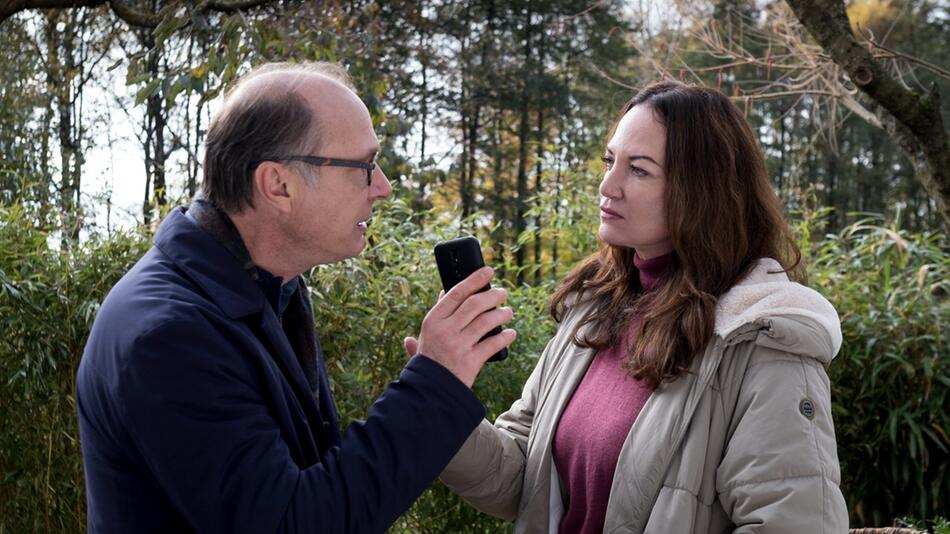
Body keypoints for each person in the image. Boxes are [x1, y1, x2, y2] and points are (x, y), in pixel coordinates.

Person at [76, 61, 516, 533]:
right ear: (278, 185)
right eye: (364, 167)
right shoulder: (169, 335)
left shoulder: (269, 289)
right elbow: (292, 523)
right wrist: (435, 383)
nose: (383, 188)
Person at [436, 81, 849, 533]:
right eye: (611, 161)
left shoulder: (762, 338)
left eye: (639, 170)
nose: (607, 185)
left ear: (700, 191)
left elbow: (792, 523)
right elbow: (522, 480)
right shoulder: (594, 310)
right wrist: (437, 400)